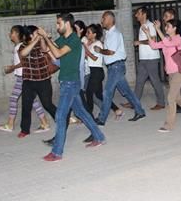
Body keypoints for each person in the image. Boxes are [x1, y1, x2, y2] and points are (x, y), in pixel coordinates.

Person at [37, 13, 106, 162]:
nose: (57, 26)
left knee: (60, 116)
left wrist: (47, 39)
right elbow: (46, 49)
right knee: (81, 113)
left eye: (59, 23)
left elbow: (57, 53)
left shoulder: (74, 40)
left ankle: (57, 152)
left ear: (67, 24)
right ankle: (99, 137)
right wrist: (43, 38)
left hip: (70, 83)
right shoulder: (63, 38)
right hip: (67, 82)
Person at [143, 19, 181, 132]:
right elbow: (154, 46)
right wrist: (148, 34)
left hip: (179, 72)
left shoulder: (178, 39)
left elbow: (167, 43)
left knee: (170, 98)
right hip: (170, 73)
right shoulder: (167, 39)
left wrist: (158, 29)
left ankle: (168, 125)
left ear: (174, 28)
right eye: (165, 26)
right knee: (177, 98)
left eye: (168, 26)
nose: (166, 28)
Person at [0, 25, 50, 134]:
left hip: (23, 77)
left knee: (13, 99)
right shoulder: (19, 46)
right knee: (33, 101)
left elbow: (23, 62)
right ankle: (44, 122)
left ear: (17, 34)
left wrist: (12, 68)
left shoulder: (20, 47)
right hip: (23, 76)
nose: (9, 34)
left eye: (11, 32)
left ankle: (10, 124)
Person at [96, 11, 146, 124]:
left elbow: (111, 52)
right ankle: (140, 111)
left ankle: (101, 118)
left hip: (116, 67)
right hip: (114, 67)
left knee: (107, 92)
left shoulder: (115, 34)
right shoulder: (109, 33)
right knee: (126, 92)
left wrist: (100, 50)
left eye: (103, 18)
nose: (102, 21)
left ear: (110, 19)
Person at [18, 25, 59, 138]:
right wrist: (35, 40)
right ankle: (25, 130)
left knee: (47, 104)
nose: (39, 34)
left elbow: (44, 49)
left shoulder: (40, 43)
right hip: (29, 81)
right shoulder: (22, 46)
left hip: (43, 80)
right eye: (37, 33)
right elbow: (23, 53)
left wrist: (42, 38)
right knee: (26, 106)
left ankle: (61, 119)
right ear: (30, 35)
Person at [81, 23, 123, 129]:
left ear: (94, 34)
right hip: (93, 71)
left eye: (89, 32)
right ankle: (117, 110)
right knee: (99, 95)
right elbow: (89, 58)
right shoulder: (91, 43)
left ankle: (89, 117)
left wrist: (85, 49)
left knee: (89, 93)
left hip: (97, 72)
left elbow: (94, 58)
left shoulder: (98, 44)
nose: (87, 34)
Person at [132, 6, 166, 111]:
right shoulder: (142, 26)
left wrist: (139, 42)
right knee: (139, 81)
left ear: (144, 14)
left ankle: (161, 103)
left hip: (151, 58)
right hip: (144, 58)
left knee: (155, 80)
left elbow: (153, 40)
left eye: (138, 13)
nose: (136, 15)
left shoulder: (150, 25)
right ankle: (134, 102)